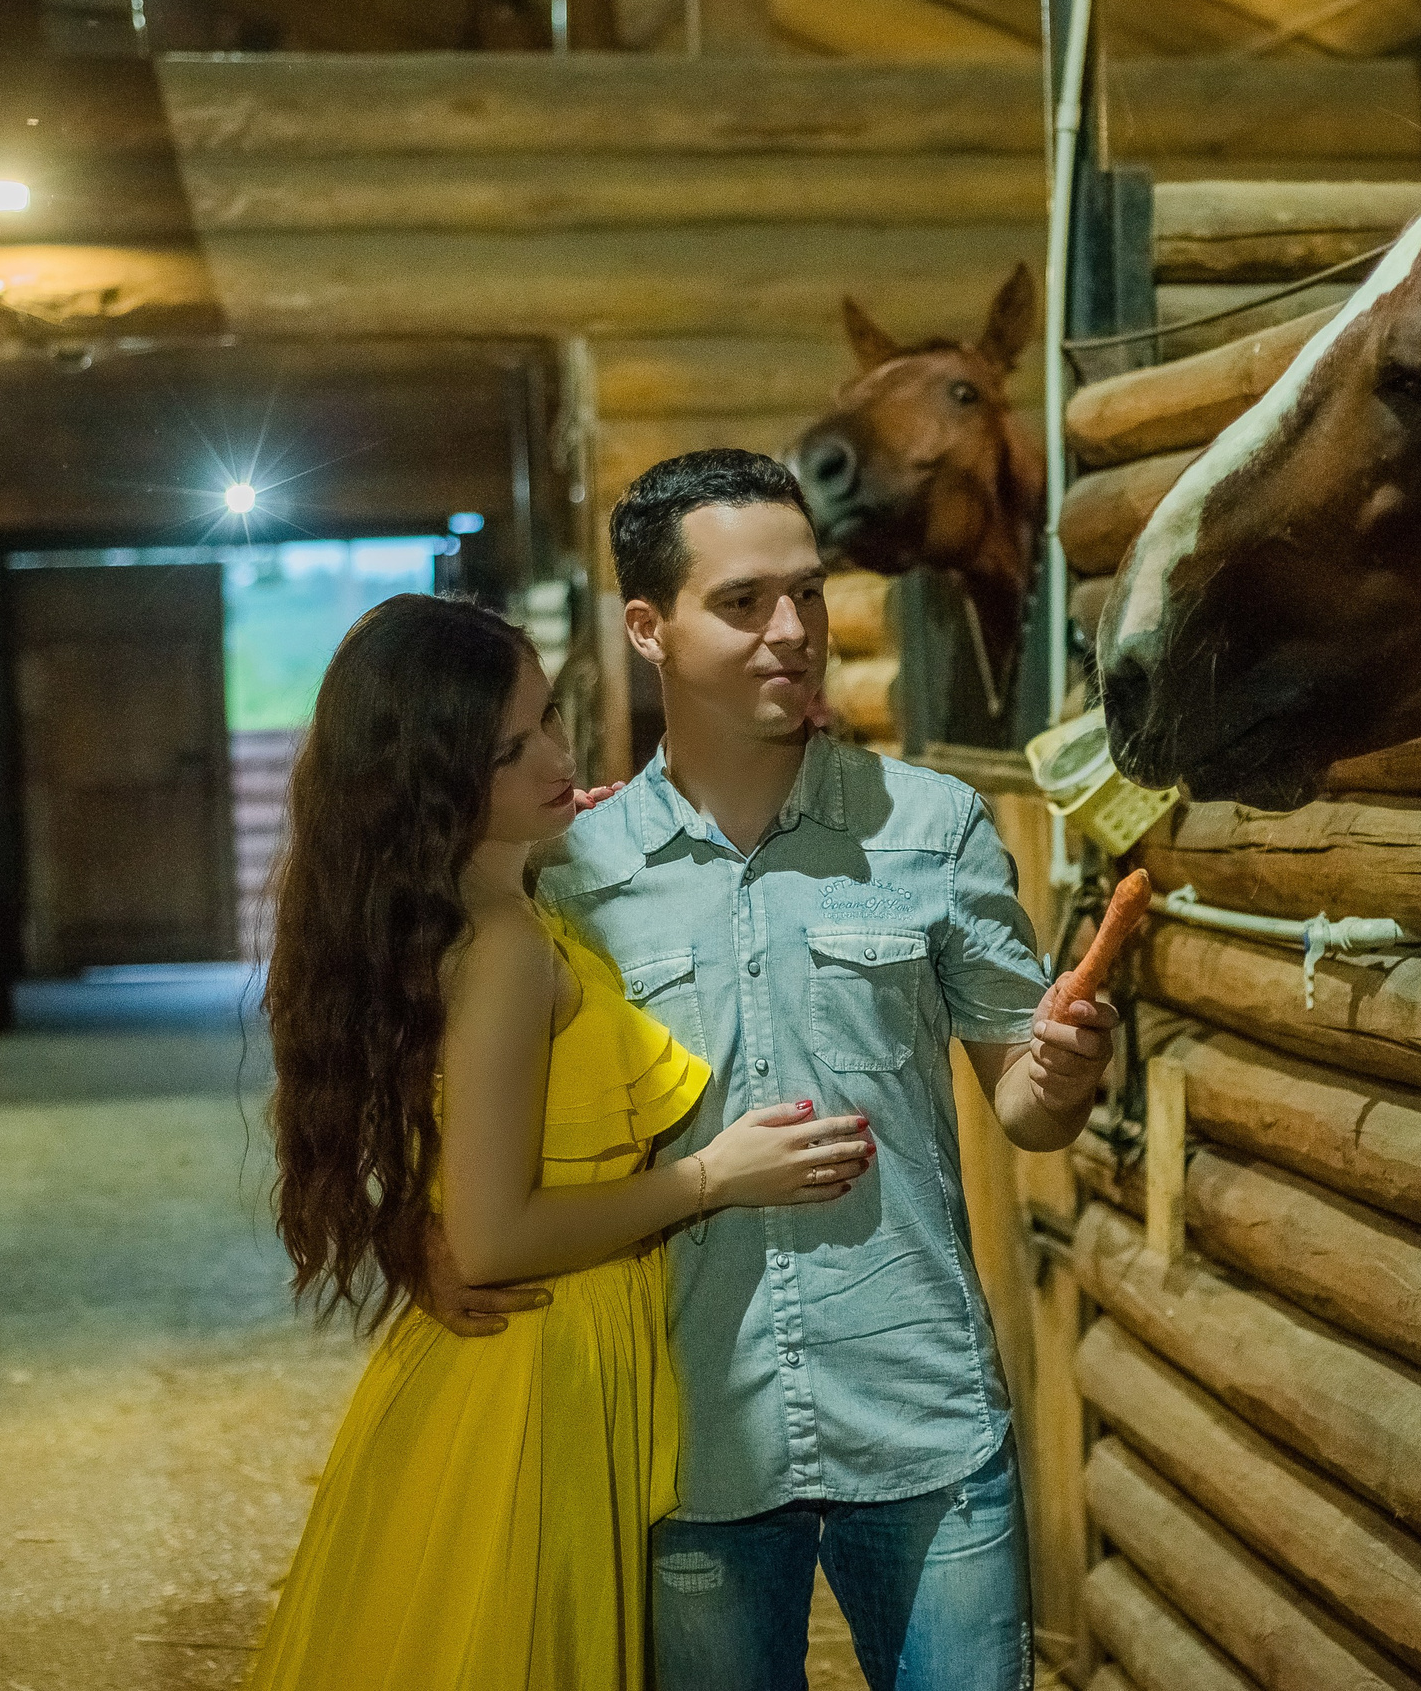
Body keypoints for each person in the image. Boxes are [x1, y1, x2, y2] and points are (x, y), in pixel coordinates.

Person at [425, 450, 1119, 1691]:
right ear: (649, 625)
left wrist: (1061, 1072)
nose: (793, 632)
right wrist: (422, 1227)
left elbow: (1024, 1107)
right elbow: (459, 1103)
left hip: (922, 1421)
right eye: (743, 602)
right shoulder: (567, 873)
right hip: (691, 1436)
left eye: (806, 593)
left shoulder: (933, 828)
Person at [247, 593, 877, 1691]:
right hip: (536, 1366)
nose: (557, 754)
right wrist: (710, 1176)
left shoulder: (495, 900)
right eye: (511, 749)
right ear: (433, 783)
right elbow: (491, 1239)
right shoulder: (496, 949)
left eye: (547, 717)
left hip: (552, 1350)